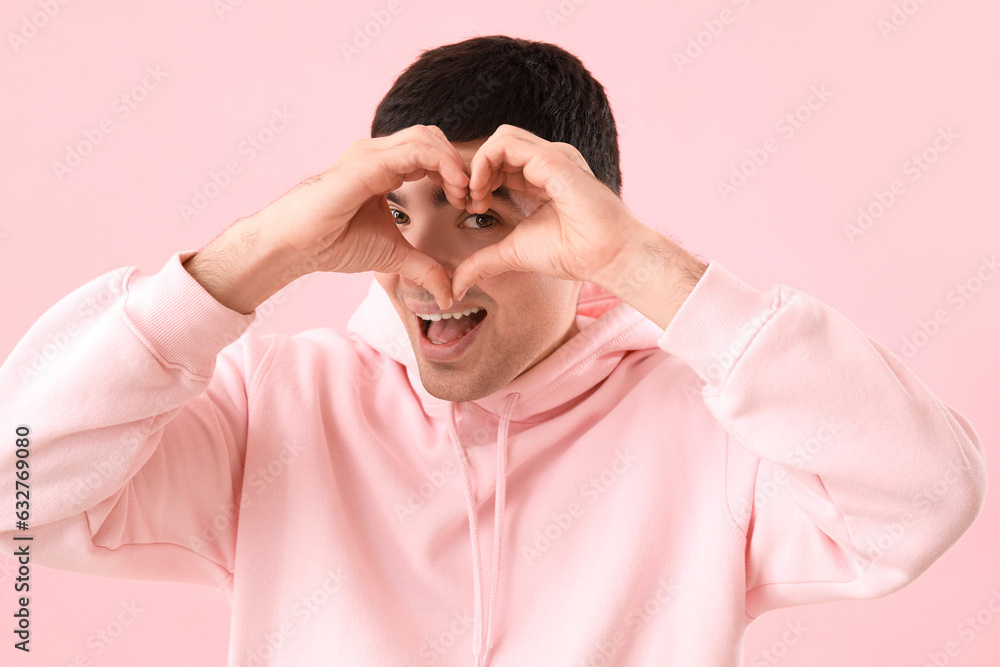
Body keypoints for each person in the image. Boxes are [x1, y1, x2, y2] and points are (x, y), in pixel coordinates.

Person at [0, 34, 987, 667]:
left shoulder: (704, 424)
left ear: (578, 225)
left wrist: (642, 263)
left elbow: (920, 496)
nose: (428, 270)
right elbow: (17, 485)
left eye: (482, 222)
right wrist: (262, 249)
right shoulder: (275, 405)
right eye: (396, 217)